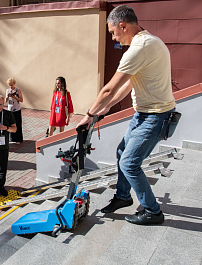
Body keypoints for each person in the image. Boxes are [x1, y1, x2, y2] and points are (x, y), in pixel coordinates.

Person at [76, 5, 176, 225]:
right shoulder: (150, 41)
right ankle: (122, 197)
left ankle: (153, 211)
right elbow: (130, 83)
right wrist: (106, 108)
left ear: (123, 25)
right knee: (122, 152)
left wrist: (89, 114)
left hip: (155, 116)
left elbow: (108, 89)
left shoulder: (139, 48)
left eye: (113, 32)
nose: (113, 37)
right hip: (145, 114)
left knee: (130, 163)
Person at [5, 78, 23, 143]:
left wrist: (15, 97)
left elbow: (21, 100)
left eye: (12, 85)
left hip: (17, 109)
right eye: (9, 85)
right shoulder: (7, 90)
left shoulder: (18, 90)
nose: (11, 86)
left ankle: (18, 139)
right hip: (10, 109)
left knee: (17, 123)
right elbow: (5, 101)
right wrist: (7, 96)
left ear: (14, 84)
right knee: (11, 124)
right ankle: (12, 138)